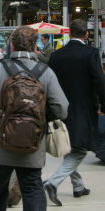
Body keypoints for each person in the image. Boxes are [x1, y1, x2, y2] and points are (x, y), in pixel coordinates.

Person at [0, 26, 68, 211]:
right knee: (33, 187)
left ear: (12, 45)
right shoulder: (46, 72)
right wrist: (42, 119)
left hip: (0, 142)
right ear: (35, 46)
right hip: (32, 143)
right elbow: (62, 107)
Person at [43, 19, 105, 206]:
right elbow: (98, 80)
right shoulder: (91, 53)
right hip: (83, 107)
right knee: (80, 149)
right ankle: (53, 182)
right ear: (86, 34)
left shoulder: (56, 55)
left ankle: (78, 186)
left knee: (68, 144)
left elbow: (49, 82)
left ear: (70, 33)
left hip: (59, 108)